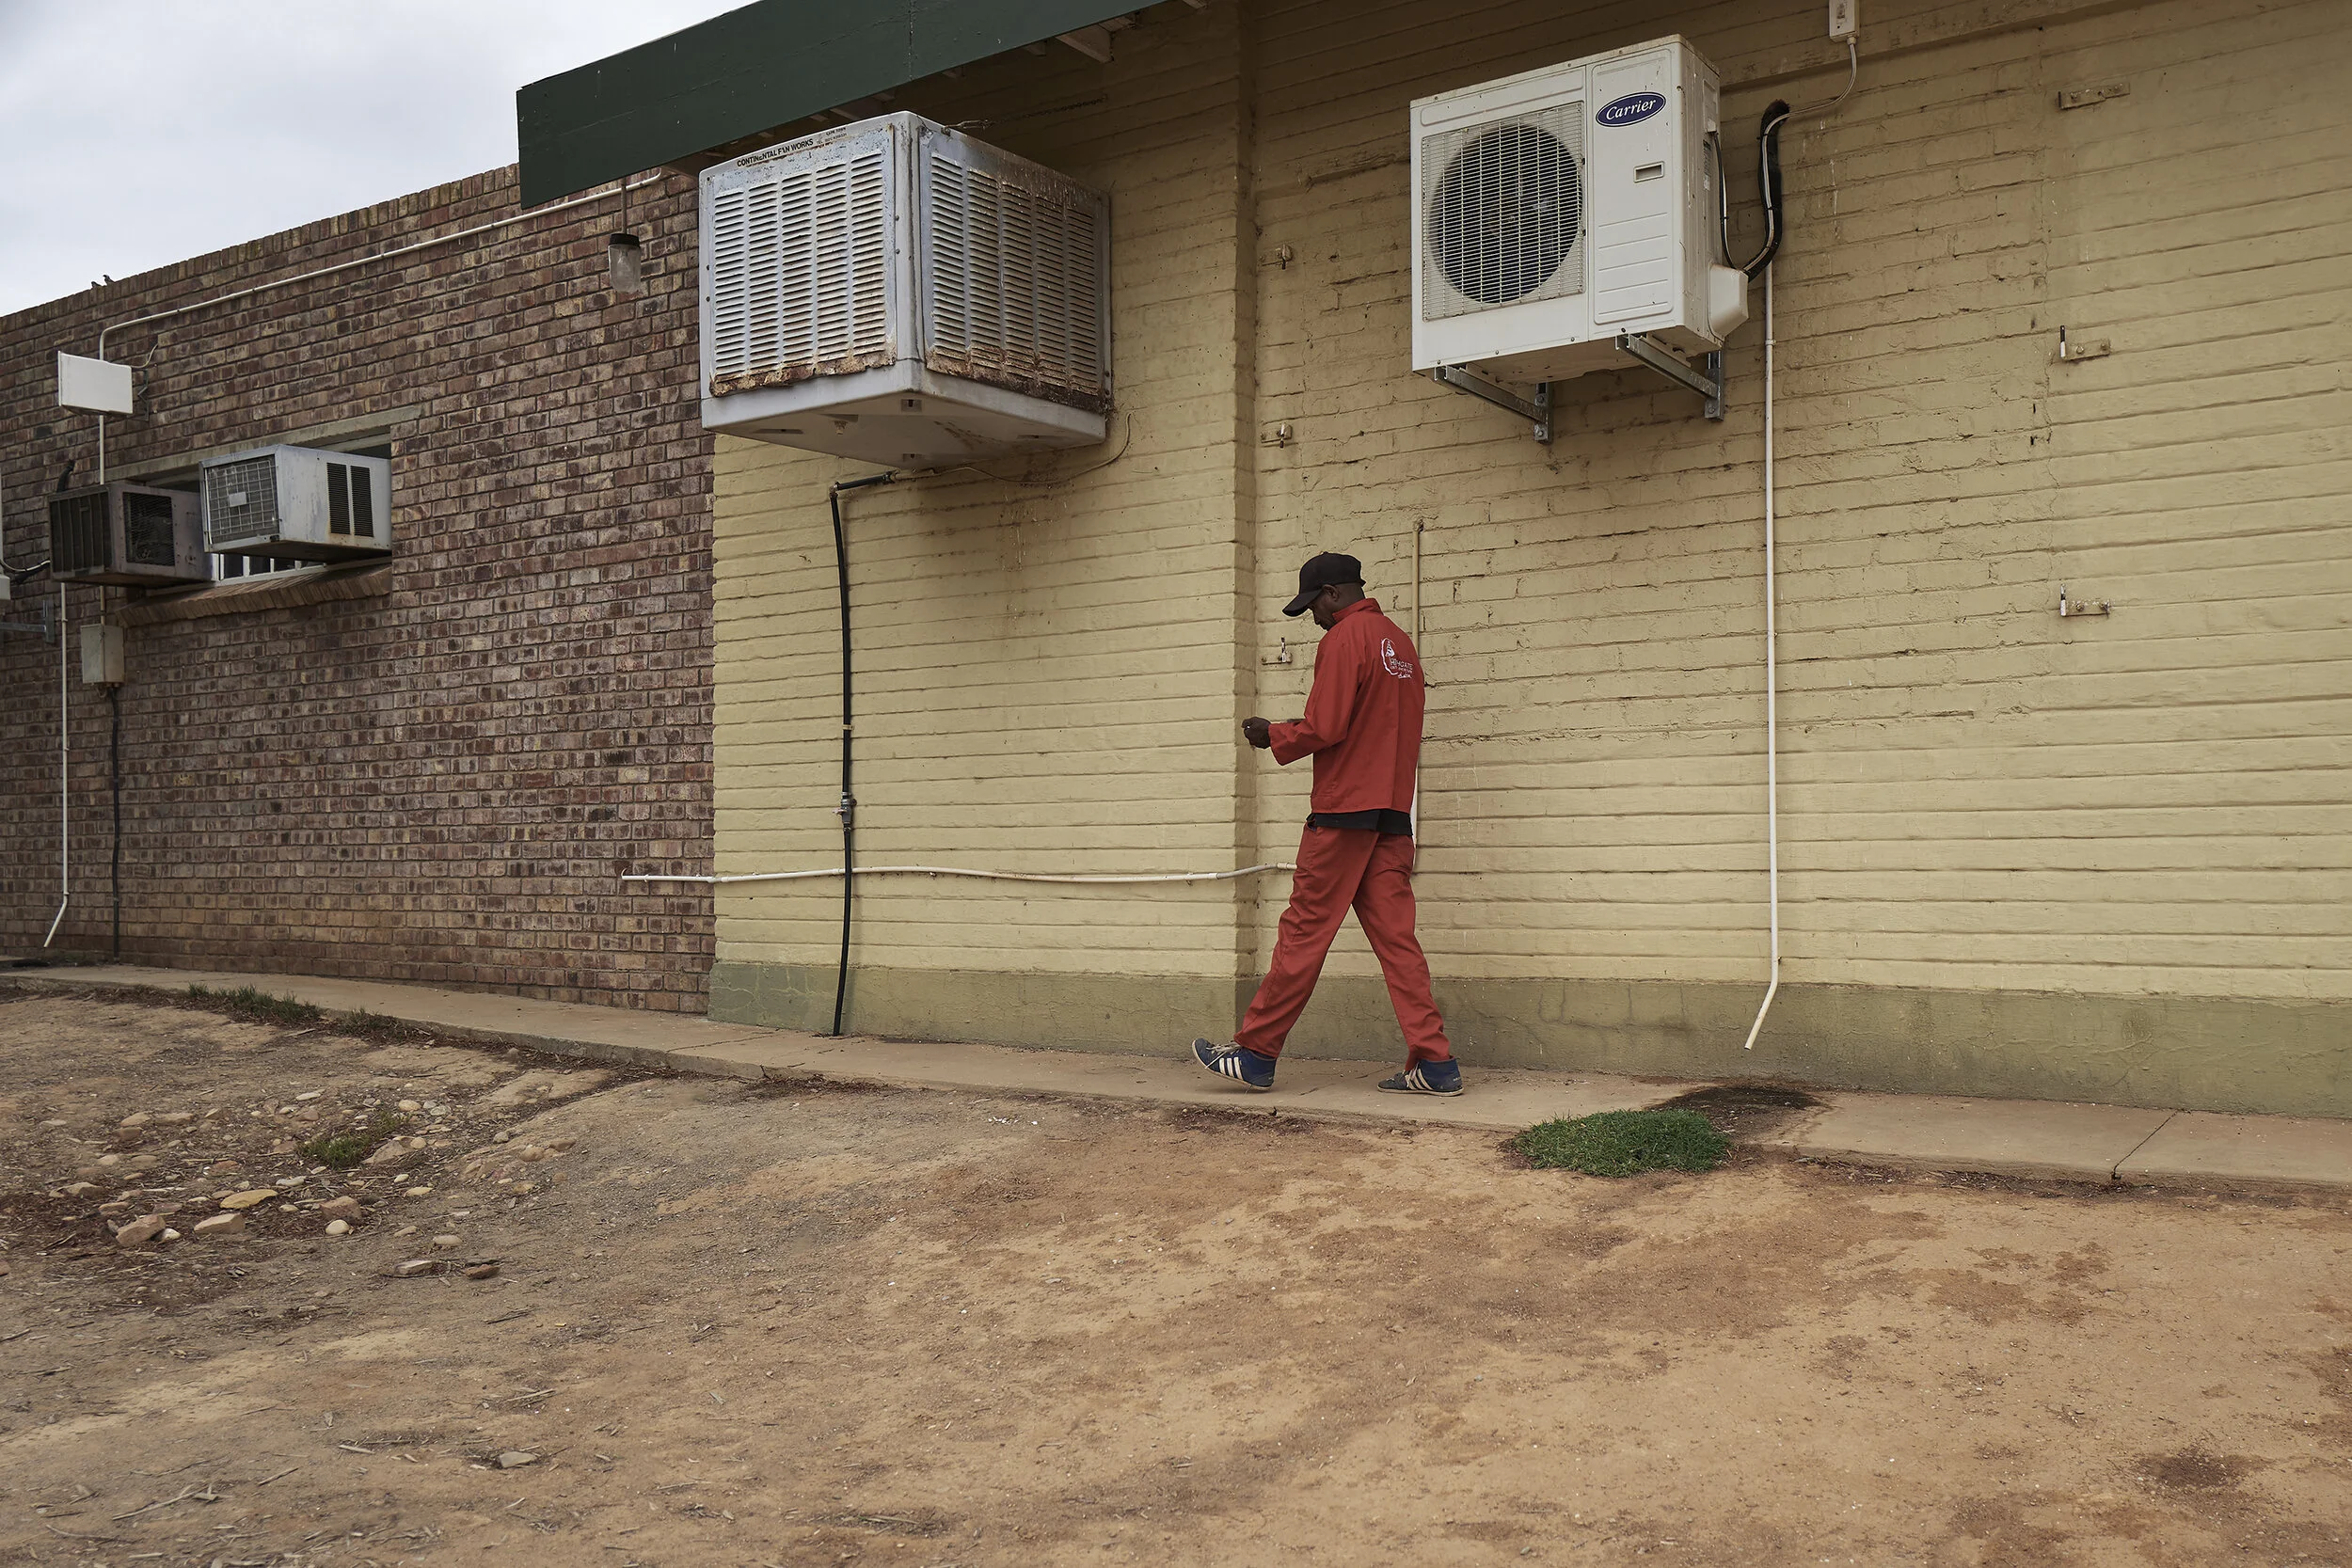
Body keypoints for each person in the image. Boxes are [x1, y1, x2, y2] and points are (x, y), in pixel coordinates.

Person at [1192, 552, 1463, 1096]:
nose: (1313, 617)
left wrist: (1274, 734)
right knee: (1398, 944)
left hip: (1343, 815)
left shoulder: (1344, 639)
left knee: (1303, 931)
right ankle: (1436, 1065)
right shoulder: (1400, 645)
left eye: (1313, 606)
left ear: (1334, 594)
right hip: (1391, 814)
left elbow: (1327, 725)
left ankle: (1255, 1053)